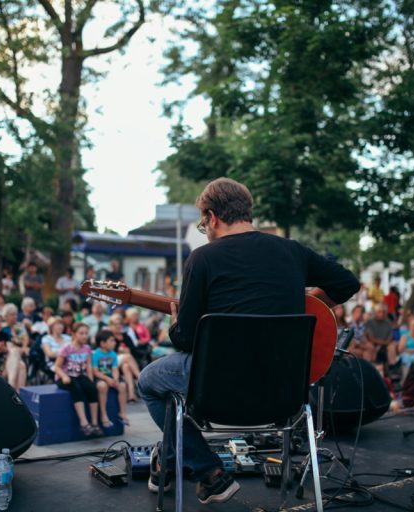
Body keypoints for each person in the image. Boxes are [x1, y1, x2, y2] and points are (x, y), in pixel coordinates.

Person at [138, 177, 359, 504]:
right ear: (246, 212)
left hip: (218, 395)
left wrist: (175, 323)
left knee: (148, 382)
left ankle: (210, 473)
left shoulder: (202, 259)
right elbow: (347, 283)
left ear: (212, 217)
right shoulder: (292, 251)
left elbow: (185, 340)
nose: (206, 231)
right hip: (284, 395)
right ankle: (171, 464)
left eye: (204, 224)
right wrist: (312, 302)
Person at [54, 323, 102, 437]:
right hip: (64, 377)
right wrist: (64, 376)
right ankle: (84, 423)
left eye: (86, 333)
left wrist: (90, 381)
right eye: (81, 333)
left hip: (79, 375)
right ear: (74, 334)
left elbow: (89, 366)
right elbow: (56, 367)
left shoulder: (87, 348)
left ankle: (94, 423)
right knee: (76, 388)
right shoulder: (67, 348)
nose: (85, 336)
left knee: (91, 388)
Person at [92, 330, 129, 428]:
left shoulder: (113, 354)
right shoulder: (96, 354)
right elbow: (95, 372)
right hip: (100, 377)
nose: (115, 343)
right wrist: (107, 379)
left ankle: (122, 412)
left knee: (122, 385)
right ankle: (103, 414)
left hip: (111, 376)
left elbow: (115, 369)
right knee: (102, 386)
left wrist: (116, 378)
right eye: (111, 341)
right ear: (103, 343)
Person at [1, 304, 29, 391]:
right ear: (5, 316)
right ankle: (17, 393)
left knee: (21, 362)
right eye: (12, 314)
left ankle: (17, 392)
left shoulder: (18, 326)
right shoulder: (1, 327)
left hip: (19, 351)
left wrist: (24, 347)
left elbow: (25, 338)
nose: (15, 316)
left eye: (16, 314)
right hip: (5, 354)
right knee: (22, 365)